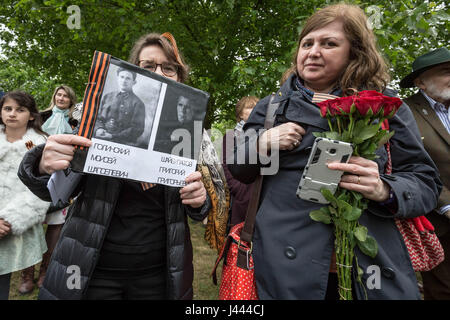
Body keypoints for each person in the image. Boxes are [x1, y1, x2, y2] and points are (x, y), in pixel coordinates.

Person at [228, 3, 442, 300]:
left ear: (355, 53)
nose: (313, 52)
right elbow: (238, 167)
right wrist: (263, 142)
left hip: (368, 266)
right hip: (284, 266)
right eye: (307, 43)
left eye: (329, 44)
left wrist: (384, 189)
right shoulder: (272, 107)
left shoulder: (387, 107)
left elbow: (426, 183)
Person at [18, 32, 210, 300]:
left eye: (169, 68)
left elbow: (200, 209)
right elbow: (54, 195)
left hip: (157, 274)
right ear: (132, 70)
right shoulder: (92, 116)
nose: (159, 72)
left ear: (179, 76)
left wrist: (199, 201)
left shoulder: (190, 134)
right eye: (148, 66)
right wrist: (42, 164)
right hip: (94, 270)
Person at [400, 47, 450, 300]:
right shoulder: (403, 111)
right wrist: (446, 204)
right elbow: (406, 165)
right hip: (436, 221)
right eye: (446, 71)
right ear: (420, 81)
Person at [0, 91, 50, 299]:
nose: (12, 114)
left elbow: (41, 189)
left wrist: (8, 220)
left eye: (20, 110)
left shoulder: (38, 146)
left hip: (9, 226)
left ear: (31, 115)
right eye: (7, 109)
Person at [30, 85, 78, 292]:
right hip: (38, 175)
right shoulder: (40, 117)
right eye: (59, 94)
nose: (61, 97)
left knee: (55, 224)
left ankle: (44, 270)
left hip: (62, 178)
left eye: (66, 96)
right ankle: (26, 273)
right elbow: (28, 142)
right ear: (54, 96)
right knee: (32, 225)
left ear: (71, 101)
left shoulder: (75, 122)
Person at [222, 96, 259, 226]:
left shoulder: (265, 134)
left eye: (256, 107)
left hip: (261, 197)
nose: (254, 110)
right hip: (241, 199)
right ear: (240, 115)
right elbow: (226, 166)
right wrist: (240, 191)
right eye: (249, 107)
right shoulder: (231, 136)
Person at [94, 68, 146, 147]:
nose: (124, 81)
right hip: (100, 139)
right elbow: (97, 117)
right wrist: (99, 129)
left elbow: (137, 129)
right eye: (122, 77)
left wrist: (113, 136)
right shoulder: (107, 96)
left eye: (128, 78)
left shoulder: (138, 103)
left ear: (134, 82)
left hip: (122, 144)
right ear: (118, 78)